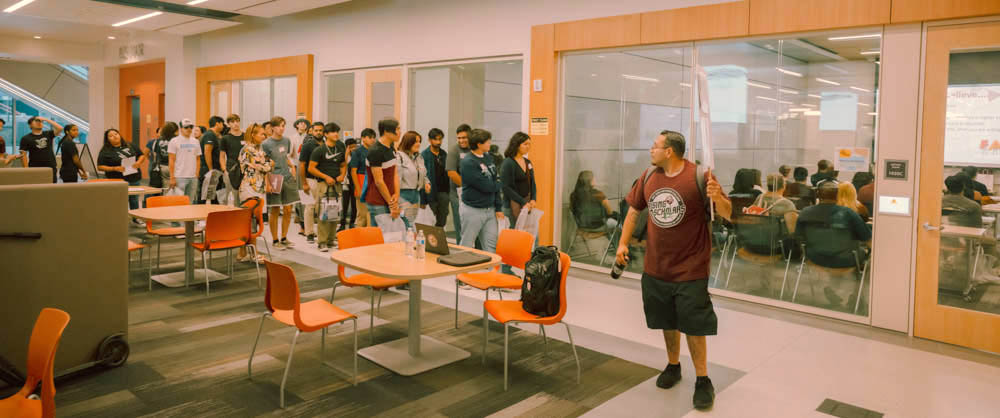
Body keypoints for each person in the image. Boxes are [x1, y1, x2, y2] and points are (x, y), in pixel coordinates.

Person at [615, 130, 732, 410]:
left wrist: (718, 198)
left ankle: (703, 379)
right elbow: (633, 211)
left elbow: (727, 213)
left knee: (694, 325)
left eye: (655, 146)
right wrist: (622, 244)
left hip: (691, 268)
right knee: (666, 321)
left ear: (670, 151)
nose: (650, 150)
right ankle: (673, 365)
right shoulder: (648, 177)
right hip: (657, 267)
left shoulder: (700, 177)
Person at [796, 181, 871, 268]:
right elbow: (868, 239)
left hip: (815, 258)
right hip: (845, 260)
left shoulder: (805, 212)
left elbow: (799, 237)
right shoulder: (849, 213)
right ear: (837, 195)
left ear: (817, 195)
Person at [459, 128, 504, 254]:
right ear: (479, 144)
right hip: (473, 210)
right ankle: (460, 274)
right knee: (466, 246)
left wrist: (498, 208)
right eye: (488, 142)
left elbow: (495, 181)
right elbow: (487, 187)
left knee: (492, 247)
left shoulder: (488, 158)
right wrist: (500, 184)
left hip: (490, 210)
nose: (490, 144)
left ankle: (493, 273)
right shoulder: (468, 162)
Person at [307, 122, 347, 251]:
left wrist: (342, 175)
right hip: (323, 185)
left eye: (337, 131)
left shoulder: (340, 148)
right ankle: (322, 242)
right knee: (323, 213)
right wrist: (325, 177)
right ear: (326, 134)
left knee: (335, 212)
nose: (336, 134)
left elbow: (343, 165)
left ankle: (330, 240)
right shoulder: (319, 150)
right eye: (332, 132)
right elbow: (311, 168)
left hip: (337, 184)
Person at [262, 116, 300, 250]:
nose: (282, 128)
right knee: (275, 209)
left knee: (289, 209)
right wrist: (267, 181)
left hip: (287, 177)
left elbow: (286, 157)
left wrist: (293, 168)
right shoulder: (266, 144)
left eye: (283, 125)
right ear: (272, 127)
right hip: (274, 178)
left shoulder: (287, 141)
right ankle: (275, 239)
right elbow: (264, 164)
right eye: (279, 126)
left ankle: (284, 237)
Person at [238, 123, 273, 262]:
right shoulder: (248, 150)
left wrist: (268, 164)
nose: (264, 136)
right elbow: (266, 166)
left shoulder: (258, 149)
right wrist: (269, 164)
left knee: (252, 221)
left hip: (258, 187)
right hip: (250, 188)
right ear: (253, 135)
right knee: (250, 221)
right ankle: (253, 253)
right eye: (262, 134)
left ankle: (243, 253)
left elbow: (267, 164)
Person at [365, 119, 402, 225]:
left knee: (390, 236)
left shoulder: (391, 148)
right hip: (378, 201)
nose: (400, 132)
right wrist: (392, 205)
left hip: (390, 199)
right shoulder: (375, 151)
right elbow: (379, 181)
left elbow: (395, 173)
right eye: (397, 129)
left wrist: (396, 194)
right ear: (386, 131)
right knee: (380, 238)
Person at [97, 128, 145, 209]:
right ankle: (120, 218)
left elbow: (141, 155)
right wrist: (114, 168)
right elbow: (100, 167)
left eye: (116, 134)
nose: (115, 137)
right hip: (117, 180)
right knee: (119, 200)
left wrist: (138, 162)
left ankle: (135, 218)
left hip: (134, 177)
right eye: (111, 136)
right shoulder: (105, 151)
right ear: (107, 139)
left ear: (119, 135)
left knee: (134, 199)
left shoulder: (130, 145)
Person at [500, 132, 537, 228]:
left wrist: (533, 199)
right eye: (525, 144)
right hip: (511, 206)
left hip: (527, 205)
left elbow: (532, 183)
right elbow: (505, 187)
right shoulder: (508, 163)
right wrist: (523, 202)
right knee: (513, 235)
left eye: (529, 144)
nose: (528, 147)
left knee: (530, 234)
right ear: (516, 145)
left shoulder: (528, 162)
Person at [397, 130, 431, 227]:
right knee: (406, 225)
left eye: (419, 141)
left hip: (416, 195)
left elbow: (423, 175)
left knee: (411, 225)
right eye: (416, 141)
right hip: (403, 195)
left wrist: (426, 183)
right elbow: (396, 179)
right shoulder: (399, 156)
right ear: (408, 142)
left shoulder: (419, 157)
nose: (418, 144)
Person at [299, 121, 324, 243]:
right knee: (309, 207)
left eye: (320, 130)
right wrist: (304, 183)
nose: (318, 132)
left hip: (323, 181)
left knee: (321, 208)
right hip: (310, 180)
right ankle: (309, 233)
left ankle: (320, 233)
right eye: (316, 130)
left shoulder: (325, 144)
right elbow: (302, 165)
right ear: (312, 131)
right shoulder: (307, 145)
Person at [18, 116, 63, 183]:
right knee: (37, 187)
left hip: (50, 166)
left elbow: (60, 128)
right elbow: (23, 155)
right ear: (30, 125)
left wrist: (46, 119)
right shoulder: (25, 138)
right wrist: (26, 170)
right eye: (36, 121)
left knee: (52, 186)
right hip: (35, 167)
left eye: (41, 121)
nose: (39, 123)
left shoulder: (48, 134)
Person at [168, 119, 202, 204]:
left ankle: (188, 217)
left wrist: (197, 173)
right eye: (186, 127)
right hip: (179, 177)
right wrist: (172, 177)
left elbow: (198, 158)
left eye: (191, 127)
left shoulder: (196, 141)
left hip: (192, 177)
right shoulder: (174, 141)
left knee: (190, 202)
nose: (189, 129)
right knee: (178, 203)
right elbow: (171, 160)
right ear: (181, 129)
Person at [447, 124, 472, 238]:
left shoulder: (474, 149)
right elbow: (451, 173)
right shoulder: (454, 150)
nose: (461, 140)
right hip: (458, 194)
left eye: (464, 137)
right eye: (459, 138)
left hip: (475, 194)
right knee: (461, 226)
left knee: (474, 225)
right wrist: (467, 187)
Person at [422, 128, 450, 228]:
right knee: (430, 220)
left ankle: (440, 241)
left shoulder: (444, 154)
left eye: (440, 139)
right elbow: (422, 177)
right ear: (430, 140)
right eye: (436, 139)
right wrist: (423, 200)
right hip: (431, 193)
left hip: (443, 192)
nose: (438, 142)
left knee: (442, 220)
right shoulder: (424, 155)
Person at [350, 128, 376, 228]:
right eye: (370, 138)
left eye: (374, 138)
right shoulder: (357, 152)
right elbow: (353, 171)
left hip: (372, 183)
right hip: (361, 181)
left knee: (371, 214)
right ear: (363, 138)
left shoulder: (375, 151)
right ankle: (358, 239)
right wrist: (358, 188)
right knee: (362, 215)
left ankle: (369, 238)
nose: (372, 140)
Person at [198, 116, 225, 204]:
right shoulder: (210, 135)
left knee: (214, 195)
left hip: (215, 169)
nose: (223, 126)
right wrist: (210, 169)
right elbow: (207, 152)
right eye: (222, 124)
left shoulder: (215, 135)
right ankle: (199, 216)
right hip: (209, 170)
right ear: (217, 123)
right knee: (205, 195)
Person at [219, 114, 244, 206]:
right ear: (229, 124)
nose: (236, 124)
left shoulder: (245, 136)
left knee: (243, 196)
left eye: (237, 121)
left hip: (244, 169)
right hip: (231, 169)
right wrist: (224, 169)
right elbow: (222, 156)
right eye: (233, 122)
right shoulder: (225, 138)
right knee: (231, 195)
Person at [339, 138, 359, 231]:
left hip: (354, 183)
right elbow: (343, 165)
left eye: (355, 146)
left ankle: (352, 222)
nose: (353, 149)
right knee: (344, 204)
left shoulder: (357, 155)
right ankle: (342, 224)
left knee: (354, 204)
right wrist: (346, 154)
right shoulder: (344, 156)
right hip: (345, 183)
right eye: (351, 147)